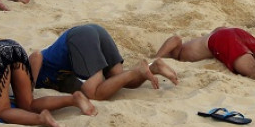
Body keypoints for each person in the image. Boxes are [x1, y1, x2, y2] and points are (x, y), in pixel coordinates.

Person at [0, 40, 96, 127]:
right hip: (10, 47)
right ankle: (73, 99)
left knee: (1, 111)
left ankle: (41, 118)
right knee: (28, 104)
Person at [29, 24, 178, 104]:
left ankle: (137, 70)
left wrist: (31, 87)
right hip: (94, 31)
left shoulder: (27, 71)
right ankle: (154, 66)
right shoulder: (55, 81)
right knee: (119, 79)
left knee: (94, 94)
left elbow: (36, 55)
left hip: (78, 38)